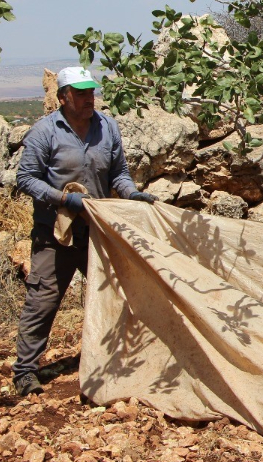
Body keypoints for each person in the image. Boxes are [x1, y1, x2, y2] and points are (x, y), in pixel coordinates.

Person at [12, 67, 156, 397]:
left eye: (91, 91)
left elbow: (118, 173)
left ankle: (124, 357)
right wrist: (63, 198)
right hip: (56, 233)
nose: (89, 97)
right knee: (43, 300)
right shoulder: (44, 132)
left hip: (97, 232)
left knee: (120, 294)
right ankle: (25, 371)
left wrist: (132, 194)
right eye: (80, 93)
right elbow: (27, 178)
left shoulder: (107, 127)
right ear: (63, 97)